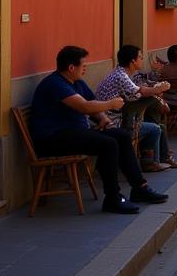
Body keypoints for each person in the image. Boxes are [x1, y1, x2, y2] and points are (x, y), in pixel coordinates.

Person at [30, 45, 168, 214]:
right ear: (71, 67)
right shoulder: (55, 84)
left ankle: (140, 188)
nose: (86, 68)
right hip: (53, 139)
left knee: (122, 136)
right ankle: (113, 198)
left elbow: (92, 104)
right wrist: (110, 104)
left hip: (74, 133)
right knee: (108, 144)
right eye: (83, 65)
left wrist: (103, 119)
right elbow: (84, 106)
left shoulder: (76, 82)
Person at [96, 45, 173, 172]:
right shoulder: (121, 76)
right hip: (113, 123)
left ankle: (160, 158)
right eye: (140, 57)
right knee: (155, 128)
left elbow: (138, 90)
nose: (142, 60)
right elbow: (140, 92)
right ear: (133, 61)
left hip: (117, 118)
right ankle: (150, 162)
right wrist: (158, 89)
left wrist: (154, 88)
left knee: (156, 123)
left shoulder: (122, 74)